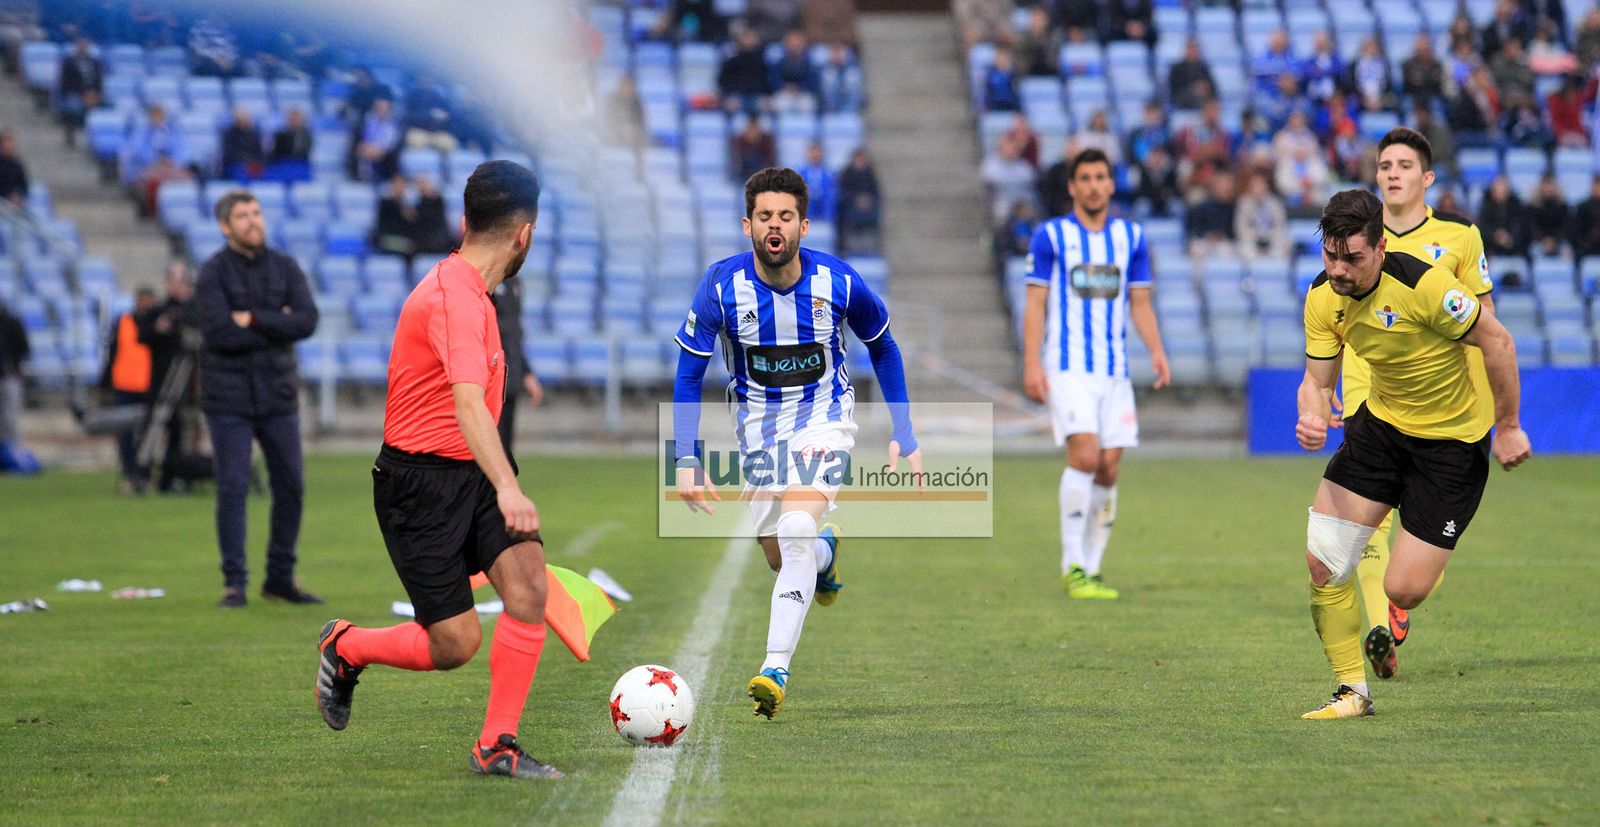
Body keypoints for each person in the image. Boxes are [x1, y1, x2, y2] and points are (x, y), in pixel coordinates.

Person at [313, 161, 563, 778]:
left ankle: (496, 745)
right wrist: (508, 486)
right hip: (418, 486)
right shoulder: (455, 297)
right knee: (455, 645)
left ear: (463, 221)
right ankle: (346, 647)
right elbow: (467, 401)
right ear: (524, 234)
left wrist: (496, 481)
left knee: (529, 588)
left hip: (469, 474)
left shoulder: (474, 292)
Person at [673, 167, 920, 719]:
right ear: (748, 225)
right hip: (757, 433)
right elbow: (689, 375)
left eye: (785, 215)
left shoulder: (839, 281)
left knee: (796, 527)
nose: (774, 225)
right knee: (783, 555)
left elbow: (884, 347)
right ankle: (827, 556)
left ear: (804, 225)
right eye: (765, 216)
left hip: (824, 422)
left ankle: (775, 666)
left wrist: (904, 430)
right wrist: (685, 458)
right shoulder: (719, 286)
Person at [1296, 188, 1530, 719]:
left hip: (1450, 446)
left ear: (1380, 248)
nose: (1339, 270)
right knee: (1323, 560)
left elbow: (1498, 342)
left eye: (1353, 258)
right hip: (1380, 430)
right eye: (1331, 255)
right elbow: (1315, 381)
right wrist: (1311, 412)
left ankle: (1407, 580)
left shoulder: (1425, 286)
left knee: (1404, 586)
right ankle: (1351, 691)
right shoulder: (1322, 297)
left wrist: (1509, 426)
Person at [1332, 127, 1498, 681]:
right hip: (1369, 388)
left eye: (1404, 165)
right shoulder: (1360, 240)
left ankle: (1399, 598)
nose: (1393, 174)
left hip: (1442, 403)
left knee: (1418, 519)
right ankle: (1380, 621)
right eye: (1384, 166)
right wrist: (1326, 388)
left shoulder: (1458, 237)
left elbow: (1484, 320)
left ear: (1426, 177)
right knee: (1365, 518)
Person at [1021, 148, 1171, 600]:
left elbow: (1140, 302)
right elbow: (1035, 302)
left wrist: (1157, 351)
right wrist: (1031, 362)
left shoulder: (1132, 237)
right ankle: (1071, 565)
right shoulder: (1050, 236)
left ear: (1110, 184)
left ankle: (1093, 566)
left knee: (1108, 469)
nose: (1092, 185)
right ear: (1071, 186)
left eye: (1100, 177)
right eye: (1083, 177)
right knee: (1085, 456)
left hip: (1115, 371)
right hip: (1067, 367)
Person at [195, 191, 321, 608]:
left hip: (278, 396)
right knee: (233, 487)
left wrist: (251, 318)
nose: (253, 221)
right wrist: (276, 323)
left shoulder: (285, 266)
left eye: (256, 213)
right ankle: (235, 582)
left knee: (293, 487)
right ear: (225, 226)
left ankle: (280, 578)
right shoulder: (212, 273)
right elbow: (218, 332)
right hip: (227, 399)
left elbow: (307, 320)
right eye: (242, 216)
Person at [136, 260, 200, 493]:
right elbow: (141, 335)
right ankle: (142, 475)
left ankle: (178, 477)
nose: (183, 286)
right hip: (163, 382)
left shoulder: (194, 312)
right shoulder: (159, 310)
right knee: (155, 427)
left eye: (186, 281)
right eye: (178, 280)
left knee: (183, 431)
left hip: (188, 384)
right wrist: (158, 329)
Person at [101, 287, 156, 493]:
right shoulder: (124, 322)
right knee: (125, 434)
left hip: (147, 386)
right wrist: (105, 383)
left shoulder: (156, 326)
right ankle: (129, 472)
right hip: (124, 385)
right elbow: (113, 352)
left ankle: (143, 473)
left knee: (147, 433)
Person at [491, 276, 544, 457]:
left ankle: (502, 483)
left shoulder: (514, 282)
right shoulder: (486, 280)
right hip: (490, 375)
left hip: (511, 374)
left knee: (505, 442)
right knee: (491, 440)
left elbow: (515, 333)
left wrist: (525, 372)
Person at [57, 36, 102, 148]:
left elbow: (99, 81)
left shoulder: (95, 62)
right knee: (72, 107)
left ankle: (95, 140)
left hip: (92, 94)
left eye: (85, 44)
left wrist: (95, 94)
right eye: (81, 44)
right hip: (75, 93)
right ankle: (70, 136)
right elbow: (65, 83)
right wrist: (83, 93)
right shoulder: (69, 62)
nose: (83, 46)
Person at [0, 299, 28, 456]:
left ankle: (11, 452)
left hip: (9, 375)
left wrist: (11, 363)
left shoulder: (12, 323)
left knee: (9, 417)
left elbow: (24, 348)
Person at [221, 107, 265, 181]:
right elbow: (229, 153)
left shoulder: (254, 134)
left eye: (247, 119)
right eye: (242, 119)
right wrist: (246, 160)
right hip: (236, 165)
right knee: (241, 173)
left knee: (265, 173)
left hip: (253, 164)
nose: (245, 121)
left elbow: (259, 152)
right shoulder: (230, 134)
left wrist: (255, 161)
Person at [0, 131, 27, 207]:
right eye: (6, 143)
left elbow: (23, 184)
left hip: (14, 202)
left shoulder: (17, 164)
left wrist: (19, 195)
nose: (9, 146)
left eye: (11, 144)